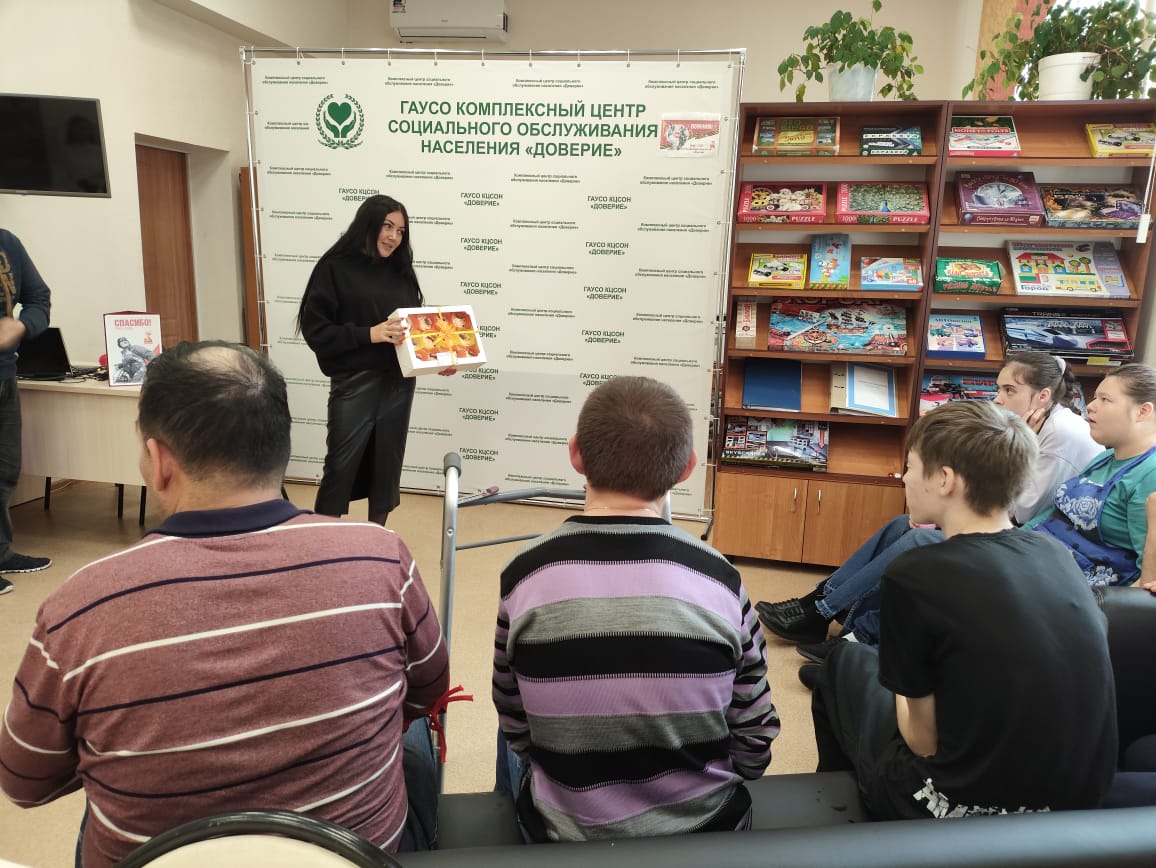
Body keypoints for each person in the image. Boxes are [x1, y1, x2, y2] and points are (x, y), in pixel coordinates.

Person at [0, 341, 449, 866]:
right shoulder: (381, 555)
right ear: (281, 448)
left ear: (159, 461)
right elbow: (429, 690)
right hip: (355, 856)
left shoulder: (80, 606)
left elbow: (25, 781)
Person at [492, 376, 780, 842]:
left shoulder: (523, 574)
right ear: (687, 468)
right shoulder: (721, 580)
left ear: (575, 453)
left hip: (565, 839)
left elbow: (516, 727)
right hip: (705, 832)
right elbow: (754, 740)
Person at [808, 400, 1117, 820]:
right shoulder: (1055, 554)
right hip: (1074, 805)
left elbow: (922, 742)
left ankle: (841, 818)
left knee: (844, 660)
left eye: (911, 466)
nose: (905, 477)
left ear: (945, 479)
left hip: (951, 805)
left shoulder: (915, 573)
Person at [757, 352, 1101, 650]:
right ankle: (818, 604)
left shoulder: (1061, 432)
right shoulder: (1034, 423)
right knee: (899, 526)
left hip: (1024, 538)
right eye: (999, 389)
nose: (998, 399)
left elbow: (1022, 508)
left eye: (1009, 390)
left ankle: (833, 619)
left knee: (919, 540)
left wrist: (1022, 443)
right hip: (1006, 527)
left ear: (1042, 396)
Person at [298, 194, 450, 526]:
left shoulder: (401, 272)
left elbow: (410, 330)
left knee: (387, 469)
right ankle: (326, 541)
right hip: (355, 382)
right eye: (387, 226)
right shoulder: (335, 268)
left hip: (398, 384)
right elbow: (316, 330)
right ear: (368, 225)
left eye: (401, 231)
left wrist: (438, 357)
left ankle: (376, 538)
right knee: (341, 466)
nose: (394, 237)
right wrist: (369, 333)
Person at [0, 229, 53, 596]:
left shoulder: (7, 242)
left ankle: (1, 553)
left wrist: (20, 325)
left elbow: (38, 298)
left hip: (5, 375)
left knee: (5, 471)